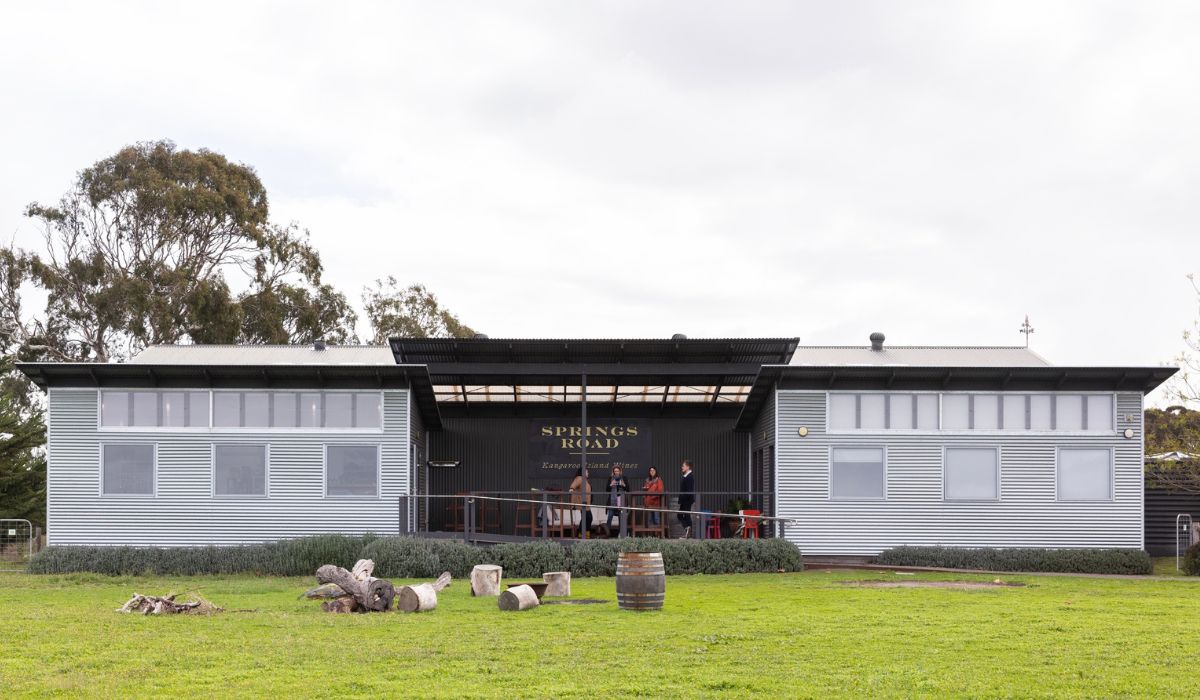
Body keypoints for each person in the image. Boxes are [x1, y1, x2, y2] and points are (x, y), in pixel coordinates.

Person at [604, 466, 630, 535]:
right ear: (613, 472)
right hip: (612, 501)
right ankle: (607, 532)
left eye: (617, 471)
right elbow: (607, 490)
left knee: (621, 517)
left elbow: (628, 489)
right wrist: (611, 484)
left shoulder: (624, 478)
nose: (616, 472)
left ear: (620, 471)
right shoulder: (610, 478)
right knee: (610, 516)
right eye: (615, 471)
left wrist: (624, 484)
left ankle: (621, 533)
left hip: (621, 501)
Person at [568, 468, 593, 536]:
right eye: (587, 472)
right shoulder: (579, 478)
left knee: (588, 518)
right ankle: (582, 533)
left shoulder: (585, 480)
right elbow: (574, 485)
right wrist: (571, 489)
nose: (588, 473)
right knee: (587, 517)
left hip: (586, 503)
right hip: (582, 502)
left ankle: (585, 533)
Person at [677, 460, 695, 538]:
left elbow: (689, 490)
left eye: (683, 466)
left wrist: (684, 499)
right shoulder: (686, 475)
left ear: (688, 467)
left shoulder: (689, 476)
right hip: (685, 499)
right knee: (682, 515)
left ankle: (688, 532)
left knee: (685, 515)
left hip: (687, 500)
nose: (682, 467)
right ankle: (688, 530)